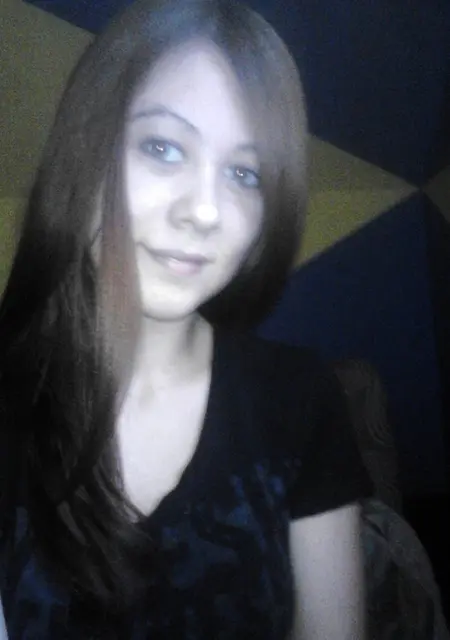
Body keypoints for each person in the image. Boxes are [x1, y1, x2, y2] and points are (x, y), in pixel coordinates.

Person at [0, 0, 373, 637]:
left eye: (244, 173)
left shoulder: (298, 397)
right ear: (87, 148)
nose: (205, 211)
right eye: (164, 147)